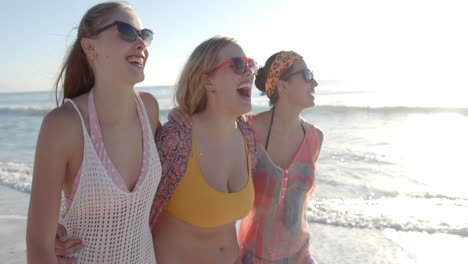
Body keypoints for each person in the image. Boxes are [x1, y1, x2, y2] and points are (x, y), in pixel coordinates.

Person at [26, 2, 161, 264]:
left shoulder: (150, 109)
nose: (141, 44)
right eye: (126, 31)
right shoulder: (64, 126)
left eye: (144, 35)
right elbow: (39, 244)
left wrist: (186, 117)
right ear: (90, 47)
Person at [169, 51, 323, 263]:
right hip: (253, 257)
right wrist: (181, 112)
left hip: (301, 257)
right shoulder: (247, 129)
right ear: (282, 85)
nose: (314, 82)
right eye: (306, 75)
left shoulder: (315, 138)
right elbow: (212, 116)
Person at [149, 36, 258, 264]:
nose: (249, 72)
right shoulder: (176, 140)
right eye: (238, 65)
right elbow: (130, 207)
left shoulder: (247, 136)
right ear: (208, 82)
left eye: (250, 64)